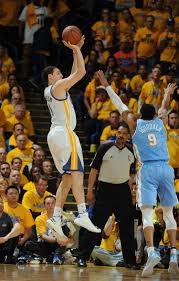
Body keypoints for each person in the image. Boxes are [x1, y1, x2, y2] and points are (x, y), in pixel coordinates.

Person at [97, 70, 179, 277]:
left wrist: (106, 84)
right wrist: (168, 92)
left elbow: (119, 105)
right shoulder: (161, 122)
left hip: (148, 170)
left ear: (142, 114)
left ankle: (151, 251)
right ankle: (175, 253)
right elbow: (164, 107)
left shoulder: (135, 124)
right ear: (156, 115)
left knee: (146, 213)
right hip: (167, 169)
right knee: (169, 213)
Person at [41, 36, 100, 241]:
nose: (61, 74)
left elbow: (75, 72)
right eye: (58, 72)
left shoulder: (52, 90)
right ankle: (83, 214)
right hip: (65, 134)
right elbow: (81, 72)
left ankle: (56, 217)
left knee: (67, 177)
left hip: (55, 135)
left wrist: (78, 50)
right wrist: (75, 48)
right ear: (50, 77)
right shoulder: (57, 87)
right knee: (77, 174)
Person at [78, 124, 138, 269]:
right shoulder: (104, 147)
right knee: (95, 226)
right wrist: (90, 191)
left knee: (127, 227)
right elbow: (93, 171)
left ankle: (130, 261)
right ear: (115, 133)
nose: (121, 135)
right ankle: (82, 257)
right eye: (119, 132)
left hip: (123, 191)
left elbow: (131, 174)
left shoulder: (132, 151)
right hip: (105, 190)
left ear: (128, 136)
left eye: (124, 133)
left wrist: (131, 193)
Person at [0, 194, 21, 263]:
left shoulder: (9, 216)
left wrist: (6, 238)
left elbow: (18, 227)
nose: (0, 204)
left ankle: (9, 256)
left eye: (1, 202)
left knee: (15, 234)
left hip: (4, 244)